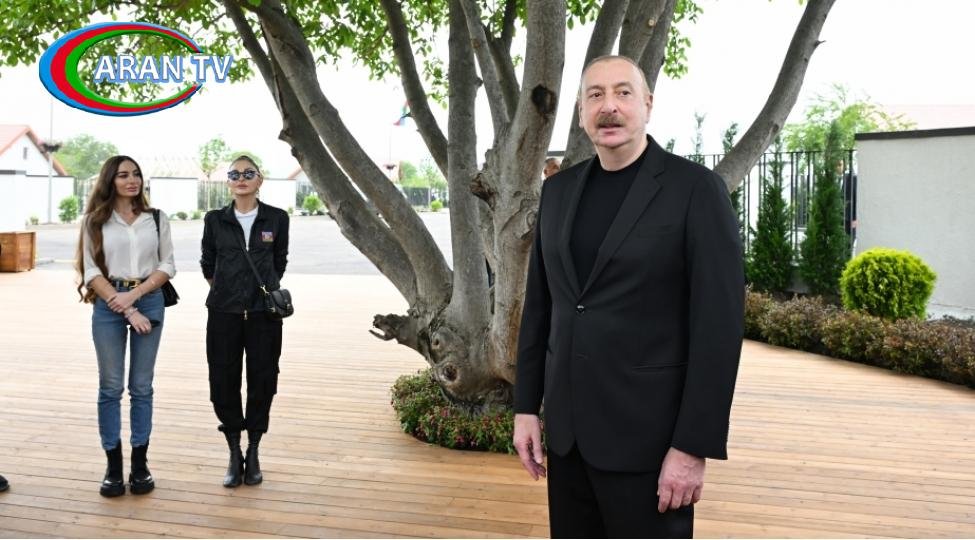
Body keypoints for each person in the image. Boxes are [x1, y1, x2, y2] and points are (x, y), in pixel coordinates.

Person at [513, 55, 744, 538]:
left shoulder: (696, 191)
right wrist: (526, 407)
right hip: (569, 441)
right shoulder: (558, 192)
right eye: (595, 95)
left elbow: (718, 331)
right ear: (581, 111)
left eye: (623, 92)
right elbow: (541, 309)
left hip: (651, 446)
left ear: (648, 104)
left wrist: (692, 447)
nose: (609, 106)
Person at [76, 155, 176, 497]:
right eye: (123, 175)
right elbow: (91, 271)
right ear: (110, 180)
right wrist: (127, 308)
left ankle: (140, 464)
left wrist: (135, 297)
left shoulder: (156, 218)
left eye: (136, 174)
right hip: (108, 303)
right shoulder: (93, 221)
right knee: (111, 387)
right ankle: (113, 467)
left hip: (149, 298)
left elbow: (167, 265)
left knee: (142, 386)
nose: (132, 180)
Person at [201, 155, 289, 488]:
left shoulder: (276, 218)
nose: (241, 178)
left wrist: (257, 292)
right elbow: (208, 263)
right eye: (235, 174)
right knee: (222, 380)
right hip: (223, 313)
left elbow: (279, 262)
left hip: (264, 315)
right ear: (228, 181)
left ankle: (253, 450)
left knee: (263, 379)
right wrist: (228, 290)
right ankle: (233, 450)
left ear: (259, 180)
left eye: (248, 173)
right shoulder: (215, 219)